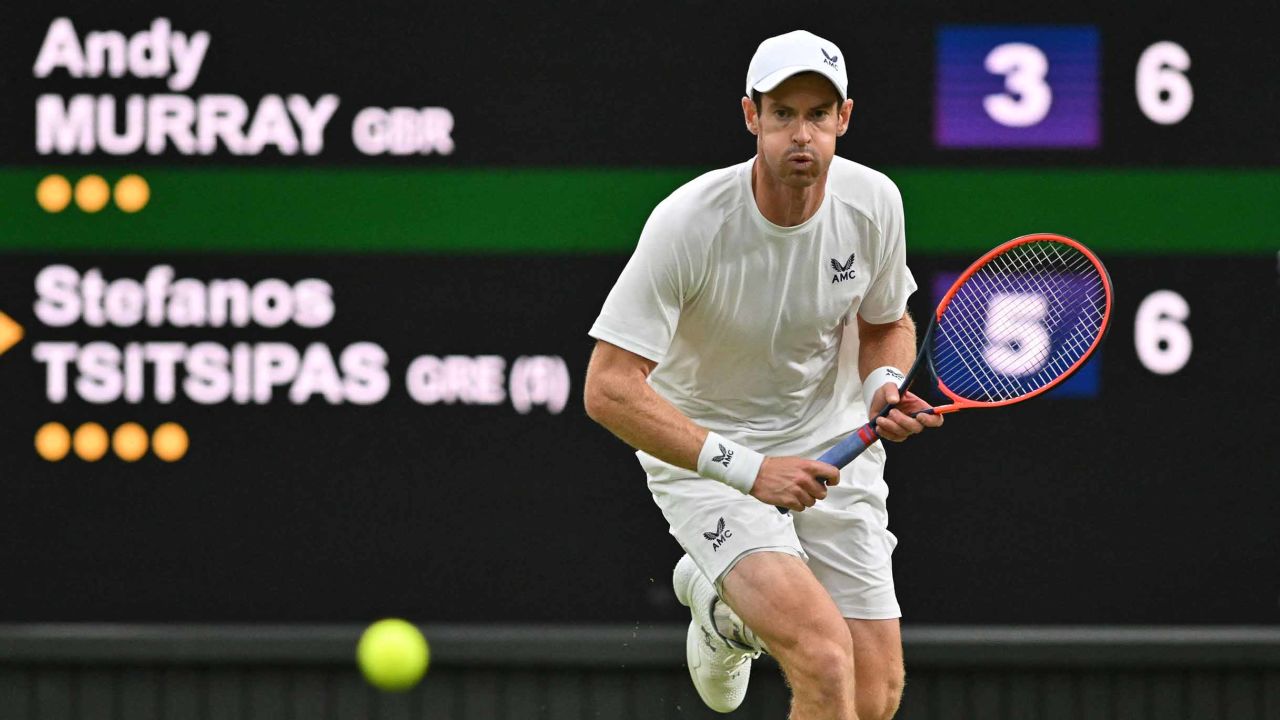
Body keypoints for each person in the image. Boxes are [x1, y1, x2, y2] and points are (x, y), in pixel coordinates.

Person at [583, 29, 942, 720]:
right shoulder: (688, 223)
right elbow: (608, 386)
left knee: (874, 695)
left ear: (844, 118)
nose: (800, 133)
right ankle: (726, 608)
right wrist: (750, 470)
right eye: (782, 114)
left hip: (834, 437)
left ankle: (728, 613)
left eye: (817, 113)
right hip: (709, 452)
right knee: (824, 661)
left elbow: (884, 322)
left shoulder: (874, 204)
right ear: (752, 117)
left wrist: (881, 386)